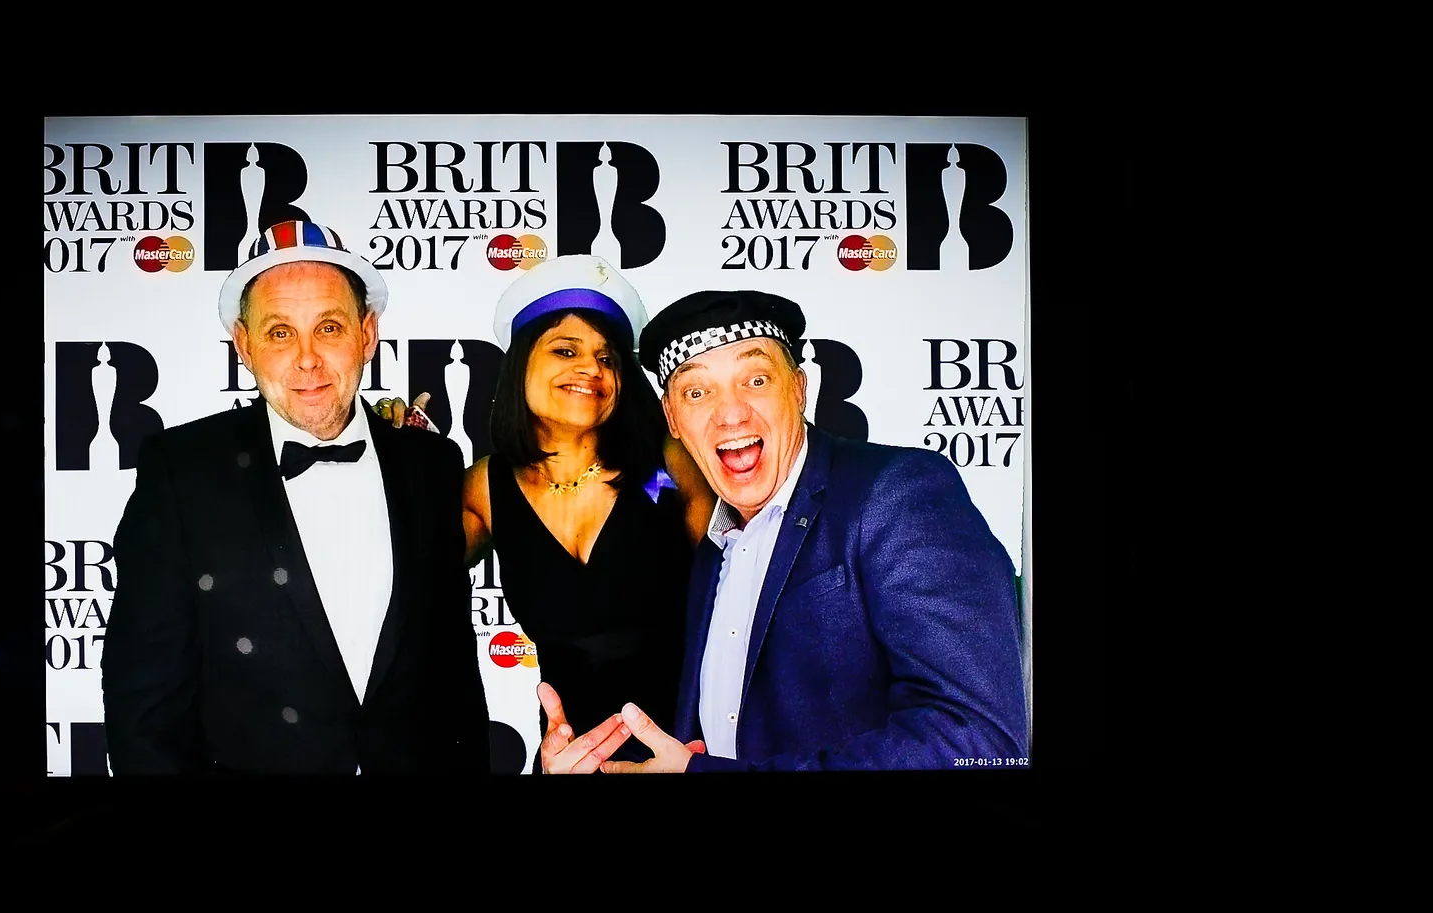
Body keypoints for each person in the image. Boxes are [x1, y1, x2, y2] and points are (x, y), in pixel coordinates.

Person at [544, 288, 1029, 772]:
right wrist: (592, 763)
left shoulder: (897, 492)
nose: (730, 413)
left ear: (798, 389)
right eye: (697, 391)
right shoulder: (711, 547)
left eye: (755, 380)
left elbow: (979, 742)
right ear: (672, 417)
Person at [100, 219, 489, 775]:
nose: (306, 358)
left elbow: (455, 680)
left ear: (367, 335)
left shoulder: (430, 464)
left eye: (328, 328)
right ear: (245, 346)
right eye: (280, 332)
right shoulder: (181, 471)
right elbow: (144, 702)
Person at [377, 255, 717, 771]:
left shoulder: (658, 471)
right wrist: (394, 459)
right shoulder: (489, 489)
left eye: (608, 359)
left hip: (691, 756)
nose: (592, 370)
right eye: (566, 350)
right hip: (567, 763)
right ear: (521, 366)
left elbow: (738, 597)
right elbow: (403, 572)